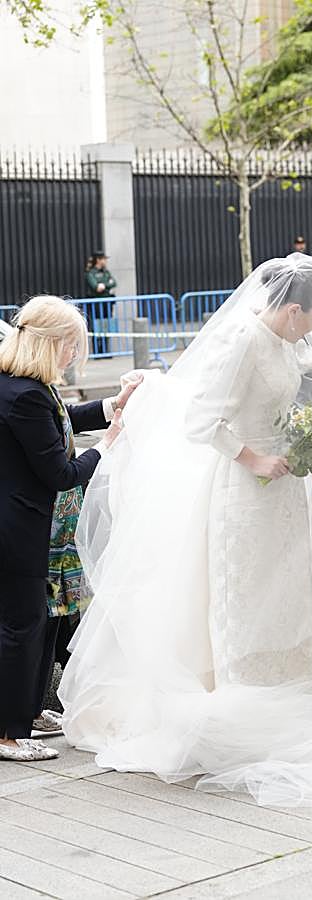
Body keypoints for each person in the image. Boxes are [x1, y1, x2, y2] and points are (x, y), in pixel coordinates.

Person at [60, 254, 312, 807]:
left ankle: (280, 697)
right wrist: (255, 459)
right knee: (245, 596)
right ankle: (242, 706)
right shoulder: (241, 342)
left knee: (285, 594)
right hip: (245, 490)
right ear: (291, 310)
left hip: (285, 488)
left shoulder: (288, 338)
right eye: (311, 319)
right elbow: (202, 421)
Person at [0, 296, 129, 762]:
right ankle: (8, 733)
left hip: (32, 528)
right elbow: (60, 472)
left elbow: (61, 423)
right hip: (19, 530)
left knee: (43, 622)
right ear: (51, 344)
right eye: (72, 345)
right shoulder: (26, 393)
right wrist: (108, 448)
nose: (75, 355)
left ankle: (30, 711)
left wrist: (110, 406)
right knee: (22, 625)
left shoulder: (26, 386)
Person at [84, 251, 117, 356]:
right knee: (96, 326)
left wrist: (104, 285)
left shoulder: (106, 272)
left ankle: (105, 350)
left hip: (107, 303)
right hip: (96, 305)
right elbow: (96, 287)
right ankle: (97, 351)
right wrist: (104, 285)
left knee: (106, 326)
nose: (105, 261)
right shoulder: (91, 273)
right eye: (104, 259)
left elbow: (113, 283)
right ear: (98, 260)